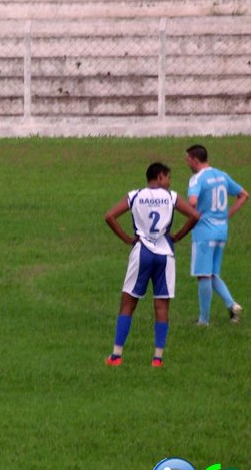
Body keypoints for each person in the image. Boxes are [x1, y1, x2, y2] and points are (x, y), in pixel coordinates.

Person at [104, 162, 199, 368]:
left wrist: (128, 239)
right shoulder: (171, 196)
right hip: (165, 253)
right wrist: (177, 237)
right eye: (168, 177)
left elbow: (109, 216)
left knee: (128, 302)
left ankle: (116, 355)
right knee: (162, 305)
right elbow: (195, 215)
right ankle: (157, 358)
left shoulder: (135, 195)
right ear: (160, 176)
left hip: (142, 252)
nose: (169, 181)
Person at [185, 144, 248, 325]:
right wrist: (227, 215)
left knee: (203, 275)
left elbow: (193, 202)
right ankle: (232, 304)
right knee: (212, 273)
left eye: (188, 159)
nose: (187, 163)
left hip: (204, 232)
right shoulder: (222, 175)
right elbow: (244, 194)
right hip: (222, 230)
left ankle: (203, 320)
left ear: (195, 160)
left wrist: (191, 214)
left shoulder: (196, 179)